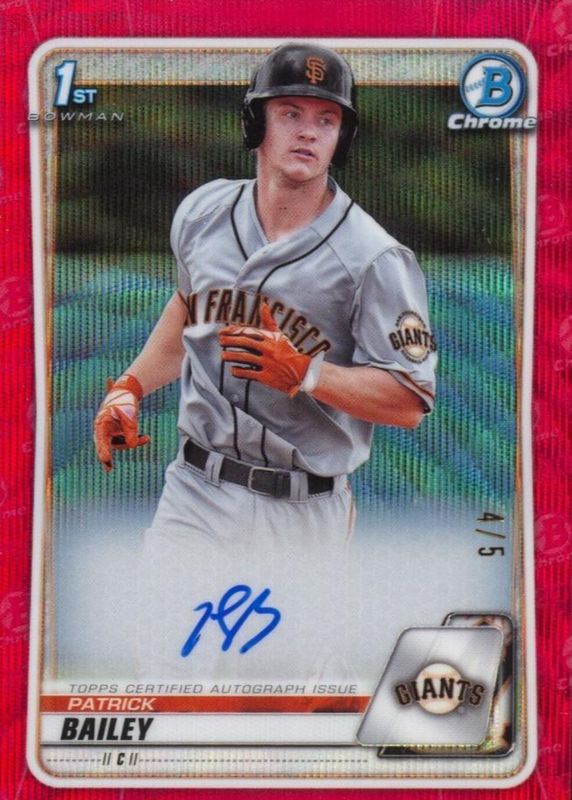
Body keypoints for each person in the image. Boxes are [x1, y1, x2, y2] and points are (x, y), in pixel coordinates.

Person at [93, 43, 437, 682]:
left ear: (342, 138)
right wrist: (131, 385)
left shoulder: (374, 257)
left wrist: (308, 373)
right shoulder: (203, 213)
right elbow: (191, 306)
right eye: (291, 113)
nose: (309, 131)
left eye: (327, 119)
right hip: (196, 490)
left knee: (275, 702)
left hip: (301, 511)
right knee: (165, 683)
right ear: (257, 122)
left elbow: (409, 399)